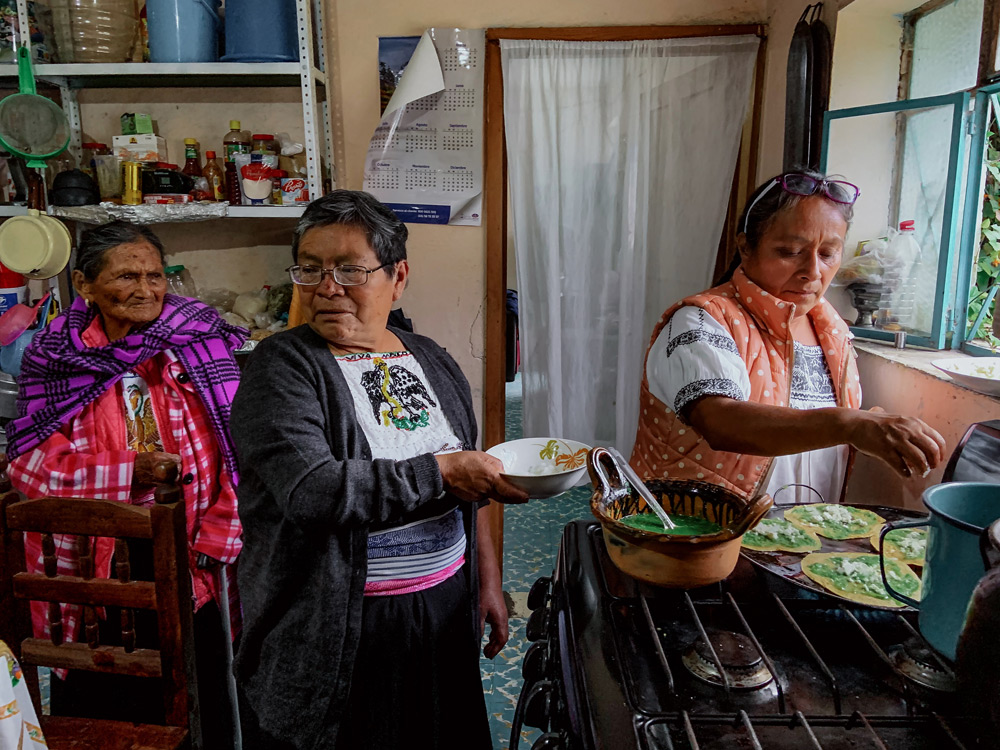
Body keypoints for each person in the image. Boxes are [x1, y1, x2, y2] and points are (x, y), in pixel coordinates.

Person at [230, 190, 528, 750]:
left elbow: (472, 487)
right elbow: (314, 492)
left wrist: (486, 582)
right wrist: (441, 472)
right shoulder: (283, 368)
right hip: (340, 626)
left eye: (349, 269)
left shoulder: (432, 359)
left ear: (398, 276)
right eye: (311, 269)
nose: (326, 286)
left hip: (442, 606)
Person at [5, 220, 245, 745]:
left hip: (194, 548)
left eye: (155, 275)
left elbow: (240, 448)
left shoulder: (198, 341)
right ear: (86, 285)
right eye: (127, 276)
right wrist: (129, 473)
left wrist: (222, 527)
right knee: (108, 688)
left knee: (205, 684)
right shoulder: (55, 354)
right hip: (100, 557)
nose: (145, 289)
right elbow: (28, 464)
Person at [630, 170, 946, 503]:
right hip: (699, 539)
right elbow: (719, 421)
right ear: (746, 247)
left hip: (799, 540)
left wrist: (871, 425)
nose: (812, 271)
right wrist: (850, 424)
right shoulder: (700, 322)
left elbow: (809, 429)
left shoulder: (832, 330)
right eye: (790, 251)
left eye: (827, 254)